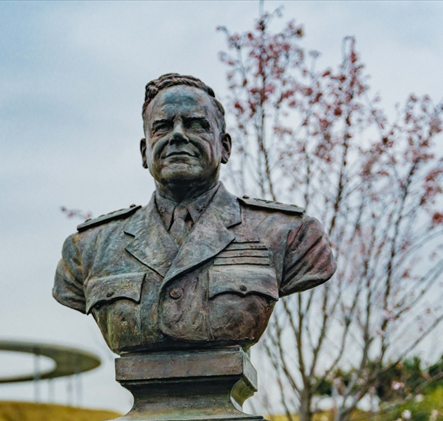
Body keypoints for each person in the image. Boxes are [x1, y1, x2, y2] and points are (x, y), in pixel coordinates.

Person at [53, 73, 335, 355]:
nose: (177, 135)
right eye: (162, 127)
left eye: (195, 125)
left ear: (225, 147)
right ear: (144, 152)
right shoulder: (90, 249)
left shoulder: (290, 235)